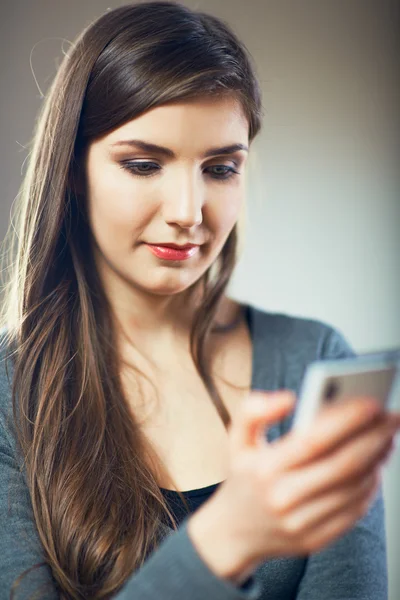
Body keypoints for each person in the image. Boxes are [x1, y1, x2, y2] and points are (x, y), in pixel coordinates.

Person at [0, 1, 399, 598]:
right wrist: (226, 541)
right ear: (73, 172)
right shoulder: (11, 390)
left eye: (220, 169)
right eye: (142, 164)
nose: (188, 213)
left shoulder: (314, 358)